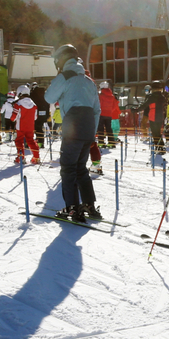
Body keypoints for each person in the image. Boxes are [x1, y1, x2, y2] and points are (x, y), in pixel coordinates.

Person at [44, 44, 101, 222]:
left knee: (68, 169)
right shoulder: (88, 80)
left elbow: (48, 98)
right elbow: (97, 110)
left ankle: (72, 208)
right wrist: (92, 134)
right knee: (80, 168)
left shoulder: (65, 76)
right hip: (88, 125)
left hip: (73, 123)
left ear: (60, 60)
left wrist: (57, 83)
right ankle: (90, 205)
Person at [11, 84, 41, 164]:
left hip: (20, 126)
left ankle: (21, 157)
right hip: (30, 126)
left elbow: (13, 117)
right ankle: (36, 157)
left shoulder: (18, 104)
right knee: (31, 140)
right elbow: (35, 117)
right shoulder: (34, 105)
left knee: (19, 141)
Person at [136, 81, 167, 154]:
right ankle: (161, 147)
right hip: (160, 116)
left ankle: (158, 148)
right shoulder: (162, 97)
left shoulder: (152, 97)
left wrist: (136, 110)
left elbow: (145, 105)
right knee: (158, 132)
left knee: (155, 133)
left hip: (153, 116)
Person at [30, 82, 52, 148]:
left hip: (36, 113)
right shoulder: (44, 93)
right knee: (40, 128)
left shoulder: (33, 94)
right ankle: (41, 143)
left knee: (33, 128)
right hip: (44, 114)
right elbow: (48, 104)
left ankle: (29, 143)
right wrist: (47, 114)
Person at [97, 81, 118, 148]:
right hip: (109, 115)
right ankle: (111, 142)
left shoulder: (100, 96)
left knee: (100, 129)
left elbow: (98, 104)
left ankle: (101, 142)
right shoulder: (112, 96)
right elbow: (115, 106)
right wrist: (109, 111)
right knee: (109, 129)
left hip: (101, 114)